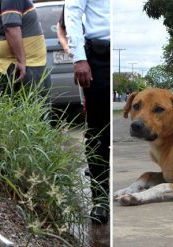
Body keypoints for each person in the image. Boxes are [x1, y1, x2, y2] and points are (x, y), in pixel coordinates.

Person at [65, 0, 110, 224]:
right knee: (98, 131)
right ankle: (100, 199)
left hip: (123, 49)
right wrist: (79, 57)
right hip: (98, 57)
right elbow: (72, 12)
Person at [0, 0, 51, 96]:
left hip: (31, 64)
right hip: (24, 67)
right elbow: (11, 28)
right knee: (31, 107)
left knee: (39, 107)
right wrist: (21, 61)